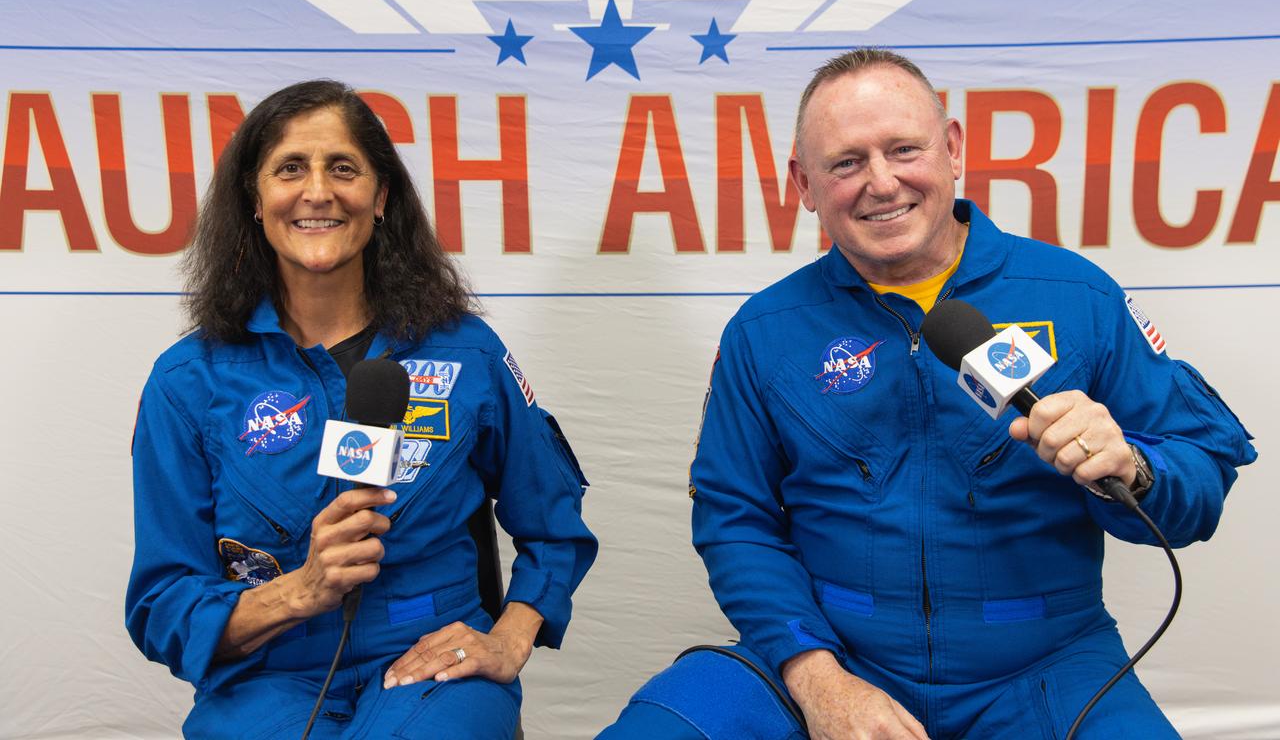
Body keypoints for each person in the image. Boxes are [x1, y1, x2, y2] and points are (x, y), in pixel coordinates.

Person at [598, 49, 1256, 739]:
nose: (881, 183)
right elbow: (735, 520)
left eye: (904, 149)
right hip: (830, 655)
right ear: (804, 183)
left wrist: (1134, 470)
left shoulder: (1077, 296)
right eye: (846, 162)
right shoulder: (764, 332)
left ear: (952, 150)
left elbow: (1201, 473)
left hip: (1048, 664)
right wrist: (818, 680)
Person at [125, 80, 597, 739]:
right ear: (254, 203)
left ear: (380, 199)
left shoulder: (466, 354)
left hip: (428, 664)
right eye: (290, 168)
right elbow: (161, 607)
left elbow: (554, 523)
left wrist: (511, 637)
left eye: (342, 168)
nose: (317, 191)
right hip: (266, 677)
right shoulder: (188, 380)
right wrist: (302, 590)